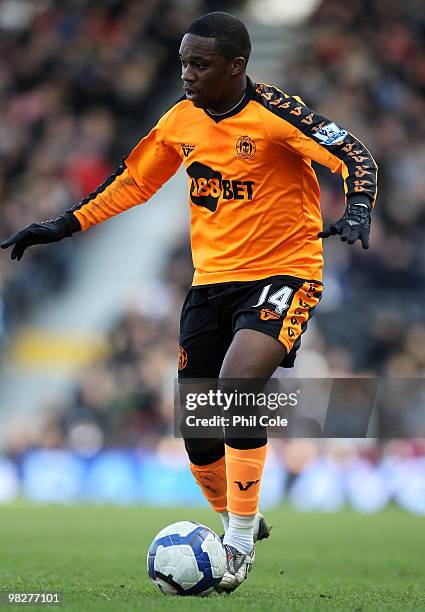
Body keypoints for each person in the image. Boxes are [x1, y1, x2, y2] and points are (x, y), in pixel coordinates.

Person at [1, 12, 377, 593]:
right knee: (199, 429)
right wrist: (62, 225)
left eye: (200, 64)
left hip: (284, 274)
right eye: (182, 62)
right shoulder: (181, 120)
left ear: (236, 66)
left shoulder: (277, 114)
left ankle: (241, 543)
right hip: (210, 284)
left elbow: (353, 154)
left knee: (237, 385)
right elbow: (132, 182)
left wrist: (357, 208)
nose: (187, 74)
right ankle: (237, 519)